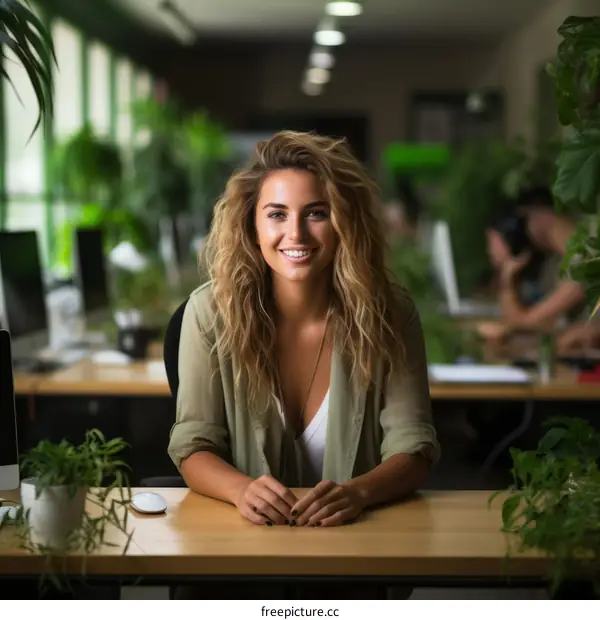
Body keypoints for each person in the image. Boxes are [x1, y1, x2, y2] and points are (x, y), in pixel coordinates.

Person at [167, 130, 440, 599]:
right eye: (276, 214)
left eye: (316, 213)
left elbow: (413, 450)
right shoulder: (209, 312)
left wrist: (359, 493)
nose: (295, 234)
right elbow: (193, 446)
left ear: (344, 223)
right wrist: (239, 490)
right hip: (242, 561)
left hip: (352, 559)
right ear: (252, 225)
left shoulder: (391, 313)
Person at [478, 186, 586, 342]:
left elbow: (522, 325)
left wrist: (507, 280)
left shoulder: (582, 270)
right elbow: (518, 323)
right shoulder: (555, 264)